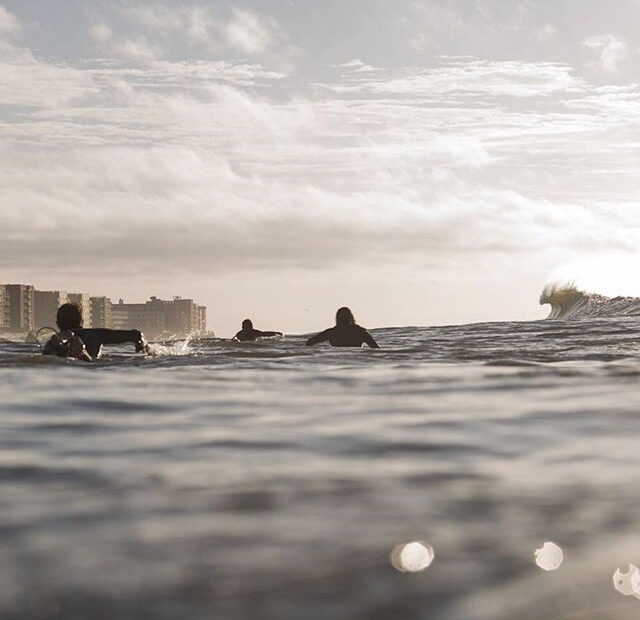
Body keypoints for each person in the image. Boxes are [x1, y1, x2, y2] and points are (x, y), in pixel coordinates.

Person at [42, 303, 148, 361]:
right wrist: (142, 347)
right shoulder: (96, 334)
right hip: (90, 366)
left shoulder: (53, 342)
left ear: (58, 323)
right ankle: (81, 353)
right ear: (81, 321)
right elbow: (135, 334)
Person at [306, 307, 380, 348]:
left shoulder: (332, 332)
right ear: (351, 317)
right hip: (356, 360)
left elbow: (309, 342)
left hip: (338, 360)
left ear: (337, 318)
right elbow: (375, 348)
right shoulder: (360, 332)